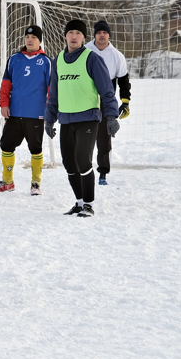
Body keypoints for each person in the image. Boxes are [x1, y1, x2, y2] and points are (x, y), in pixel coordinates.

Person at [44, 20, 120, 217]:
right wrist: (49, 119)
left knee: (82, 161)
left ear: (84, 37)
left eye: (78, 33)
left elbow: (107, 91)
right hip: (66, 120)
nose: (74, 36)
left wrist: (111, 116)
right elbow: (54, 94)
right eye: (71, 32)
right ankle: (78, 202)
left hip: (88, 118)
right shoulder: (57, 60)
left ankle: (88, 204)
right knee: (69, 163)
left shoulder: (92, 59)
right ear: (66, 36)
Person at [0, 25, 51, 196]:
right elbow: (6, 85)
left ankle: (36, 183)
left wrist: (49, 111)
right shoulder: (14, 59)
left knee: (35, 148)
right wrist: (4, 104)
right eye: (27, 37)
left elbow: (51, 89)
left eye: (34, 38)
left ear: (39, 41)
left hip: (36, 113)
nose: (30, 40)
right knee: (6, 145)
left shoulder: (46, 62)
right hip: (14, 113)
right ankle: (7, 181)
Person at [85, 20, 131, 185]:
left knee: (104, 138)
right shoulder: (85, 51)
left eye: (104, 32)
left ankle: (103, 172)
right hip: (86, 97)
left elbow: (123, 80)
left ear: (109, 35)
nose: (101, 35)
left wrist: (125, 102)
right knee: (85, 135)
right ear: (95, 35)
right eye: (99, 33)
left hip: (106, 99)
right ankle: (84, 169)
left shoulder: (117, 55)